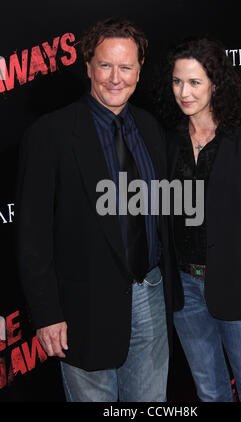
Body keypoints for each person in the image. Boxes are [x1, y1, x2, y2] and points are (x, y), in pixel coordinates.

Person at [15, 17, 181, 402]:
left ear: (139, 71)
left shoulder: (150, 127)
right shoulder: (50, 135)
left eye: (126, 67)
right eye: (105, 65)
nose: (115, 78)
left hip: (151, 295)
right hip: (82, 305)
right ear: (88, 65)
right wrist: (47, 313)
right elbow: (32, 235)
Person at [155, 37, 241, 402]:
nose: (184, 92)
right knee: (210, 392)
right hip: (186, 293)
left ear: (216, 84)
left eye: (195, 82)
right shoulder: (167, 144)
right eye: (177, 81)